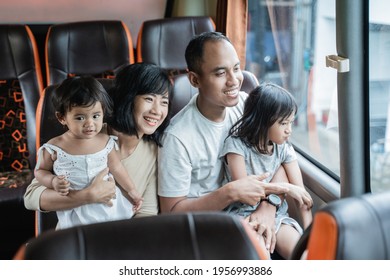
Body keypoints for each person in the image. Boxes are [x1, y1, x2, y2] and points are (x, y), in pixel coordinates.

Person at [158, 31, 289, 254]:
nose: (234, 80)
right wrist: (230, 193)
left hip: (256, 211)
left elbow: (282, 159)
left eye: (236, 69)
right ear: (194, 80)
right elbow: (171, 212)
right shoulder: (178, 138)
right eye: (220, 73)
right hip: (206, 229)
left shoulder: (247, 107)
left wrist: (269, 205)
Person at [24, 62, 172, 222]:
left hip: (118, 239)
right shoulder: (87, 134)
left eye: (164, 102)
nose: (157, 111)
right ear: (128, 97)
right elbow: (31, 197)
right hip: (74, 236)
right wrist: (86, 196)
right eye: (149, 99)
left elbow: (146, 214)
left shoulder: (155, 151)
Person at [34, 76, 143, 229]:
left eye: (95, 116)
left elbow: (117, 168)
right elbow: (40, 171)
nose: (90, 124)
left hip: (107, 206)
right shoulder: (54, 147)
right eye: (80, 118)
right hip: (76, 210)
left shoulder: (106, 141)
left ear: (103, 112)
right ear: (62, 117)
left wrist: (132, 191)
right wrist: (52, 181)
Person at [220, 83, 313, 259]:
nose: (289, 130)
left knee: (303, 256)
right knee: (260, 257)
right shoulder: (236, 146)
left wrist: (311, 238)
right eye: (283, 123)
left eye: (291, 122)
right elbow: (244, 191)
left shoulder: (284, 149)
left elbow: (303, 197)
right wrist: (285, 188)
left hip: (277, 216)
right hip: (243, 216)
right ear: (262, 121)